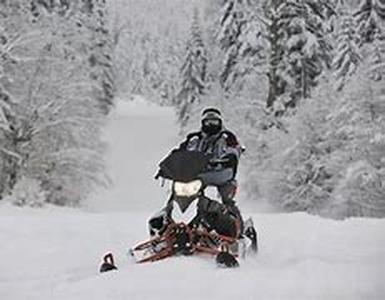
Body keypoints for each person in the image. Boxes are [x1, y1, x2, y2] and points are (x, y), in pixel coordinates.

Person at [177, 107, 243, 215]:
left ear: (220, 122)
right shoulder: (195, 138)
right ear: (203, 123)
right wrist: (172, 161)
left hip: (221, 173)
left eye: (214, 121)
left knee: (227, 198)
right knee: (182, 194)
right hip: (199, 174)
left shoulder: (227, 137)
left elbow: (234, 149)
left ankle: (235, 221)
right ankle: (177, 217)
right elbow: (183, 150)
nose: (211, 125)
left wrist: (230, 157)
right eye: (208, 122)